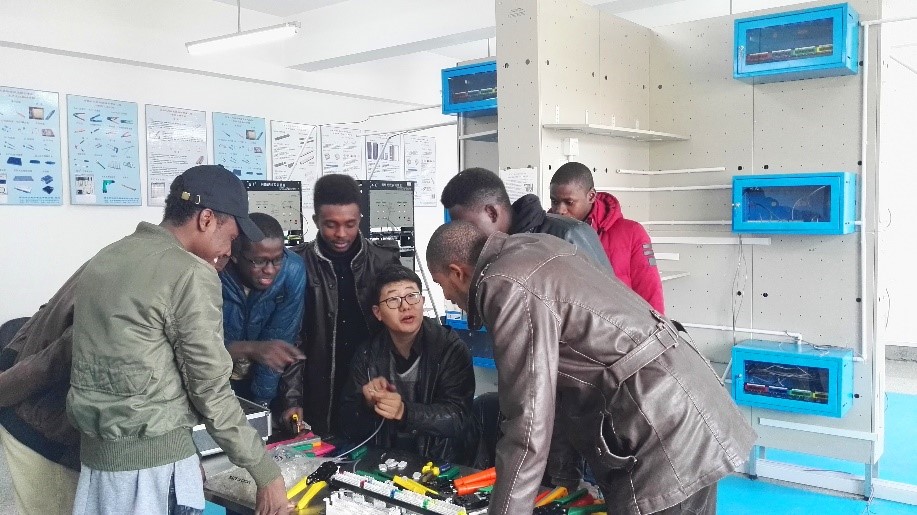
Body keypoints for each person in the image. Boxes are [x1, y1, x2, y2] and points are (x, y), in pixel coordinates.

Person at [426, 222, 756, 515]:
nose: (448, 297)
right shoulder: (536, 246)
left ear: (458, 272)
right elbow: (557, 390)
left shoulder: (505, 284)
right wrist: (563, 481)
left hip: (662, 429)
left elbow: (527, 425)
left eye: (442, 286)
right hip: (682, 402)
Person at [67, 165, 289, 515]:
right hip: (154, 472)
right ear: (206, 219)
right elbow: (210, 390)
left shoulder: (107, 257)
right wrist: (266, 473)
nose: (228, 250)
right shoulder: (189, 272)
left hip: (98, 466)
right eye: (230, 237)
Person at [281, 173, 400, 436]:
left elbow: (398, 332)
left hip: (372, 386)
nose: (341, 234)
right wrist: (292, 399)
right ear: (316, 221)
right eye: (331, 225)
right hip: (317, 391)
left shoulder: (383, 262)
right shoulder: (296, 264)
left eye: (350, 224)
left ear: (360, 219)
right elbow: (292, 338)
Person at [338, 265, 477, 464]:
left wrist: (404, 412)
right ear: (378, 312)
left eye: (412, 296)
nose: (405, 306)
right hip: (386, 461)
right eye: (393, 300)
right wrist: (367, 403)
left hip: (440, 463)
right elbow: (347, 424)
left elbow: (458, 418)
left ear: (423, 301)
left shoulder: (450, 348)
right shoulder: (367, 355)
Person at [440, 167, 612, 271]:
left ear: (492, 213)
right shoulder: (492, 252)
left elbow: (606, 304)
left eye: (468, 226)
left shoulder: (568, 234)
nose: (465, 235)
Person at [550, 162, 665, 313]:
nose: (560, 210)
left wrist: (656, 328)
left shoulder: (633, 233)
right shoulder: (545, 233)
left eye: (569, 202)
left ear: (591, 196)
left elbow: (651, 294)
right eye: (555, 201)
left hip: (618, 324)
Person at [220, 212, 306, 409]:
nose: (270, 270)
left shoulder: (292, 271)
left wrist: (261, 404)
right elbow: (202, 349)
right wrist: (252, 349)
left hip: (258, 380)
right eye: (259, 261)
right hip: (215, 379)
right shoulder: (214, 271)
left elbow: (279, 338)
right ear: (235, 255)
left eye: (277, 259)